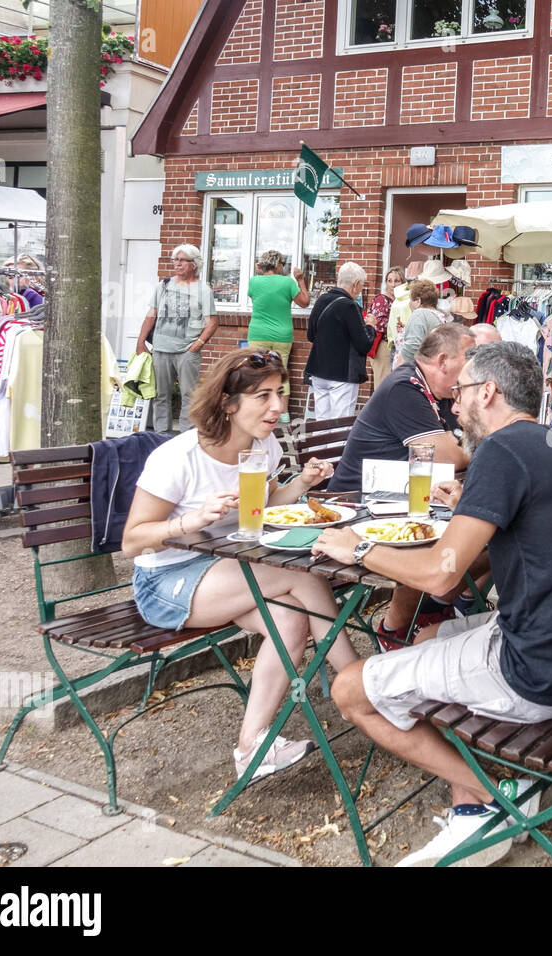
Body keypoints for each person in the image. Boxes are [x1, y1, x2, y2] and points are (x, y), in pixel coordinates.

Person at [315, 342, 552, 867]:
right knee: (427, 638)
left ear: (488, 392)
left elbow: (440, 578)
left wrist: (359, 547)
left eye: (459, 395)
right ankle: (490, 790)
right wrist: (474, 505)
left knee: (348, 690)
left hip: (534, 673)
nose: (453, 408)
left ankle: (491, 801)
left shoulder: (500, 452)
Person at [121, 347, 357, 781]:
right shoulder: (178, 457)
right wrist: (188, 522)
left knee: (291, 620)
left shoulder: (262, 446)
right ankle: (362, 685)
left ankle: (252, 748)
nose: (278, 407)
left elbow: (260, 506)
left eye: (280, 394)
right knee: (297, 572)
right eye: (263, 396)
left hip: (229, 570)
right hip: (166, 583)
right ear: (229, 403)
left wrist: (301, 483)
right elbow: (132, 542)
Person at [330, 322, 476, 643]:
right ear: (442, 360)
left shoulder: (438, 393)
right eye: (469, 360)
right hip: (358, 505)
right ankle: (394, 629)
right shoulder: (405, 387)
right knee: (440, 539)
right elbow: (451, 456)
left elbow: (467, 443)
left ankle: (431, 609)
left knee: (488, 532)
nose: (474, 372)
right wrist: (471, 444)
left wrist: (469, 444)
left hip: (406, 499)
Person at [136, 244, 218, 434]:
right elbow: (151, 314)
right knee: (160, 395)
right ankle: (160, 436)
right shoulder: (163, 285)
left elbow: (212, 322)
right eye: (175, 260)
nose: (177, 264)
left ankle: (186, 436)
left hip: (186, 351)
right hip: (161, 349)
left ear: (194, 264)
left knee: (189, 396)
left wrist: (197, 345)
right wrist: (141, 341)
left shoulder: (203, 290)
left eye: (182, 260)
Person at [304, 262, 374, 420]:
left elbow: (310, 335)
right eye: (362, 285)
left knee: (321, 421)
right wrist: (371, 327)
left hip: (319, 370)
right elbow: (364, 344)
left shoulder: (322, 300)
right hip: (343, 374)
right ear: (355, 284)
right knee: (340, 424)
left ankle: (318, 445)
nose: (361, 290)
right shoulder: (349, 306)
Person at [245, 249, 309, 398]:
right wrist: (300, 279)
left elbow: (259, 293)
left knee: (257, 373)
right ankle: (284, 413)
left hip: (258, 334)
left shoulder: (254, 281)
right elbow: (305, 302)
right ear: (277, 265)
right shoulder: (287, 282)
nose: (284, 267)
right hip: (282, 336)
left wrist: (260, 272)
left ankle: (259, 407)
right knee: (281, 373)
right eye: (283, 264)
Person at [366, 266, 406, 387]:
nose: (393, 284)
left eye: (397, 280)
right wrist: (397, 326)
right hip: (383, 346)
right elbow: (377, 323)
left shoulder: (399, 300)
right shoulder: (382, 299)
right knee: (382, 383)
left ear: (403, 283)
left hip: (393, 345)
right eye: (390, 281)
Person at [394, 278, 444, 367]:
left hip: (410, 373)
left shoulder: (419, 314)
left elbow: (412, 346)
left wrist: (398, 371)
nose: (409, 304)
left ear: (418, 301)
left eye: (411, 300)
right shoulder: (437, 316)